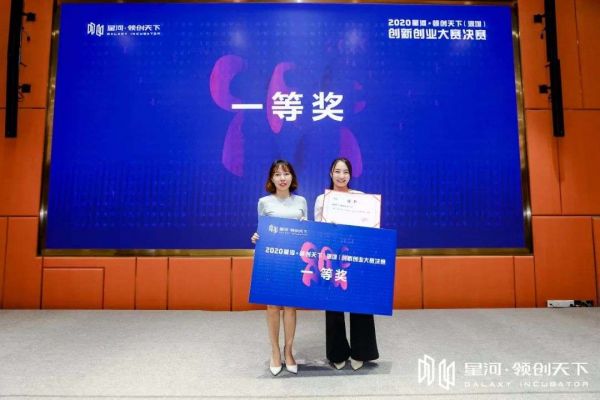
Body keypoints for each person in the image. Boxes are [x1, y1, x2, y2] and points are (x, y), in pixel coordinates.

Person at [314, 157, 379, 371]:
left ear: (350, 175)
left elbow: (371, 228)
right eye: (337, 171)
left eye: (345, 172)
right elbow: (317, 231)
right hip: (332, 257)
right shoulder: (322, 200)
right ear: (330, 173)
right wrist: (328, 226)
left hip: (356, 256)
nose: (341, 176)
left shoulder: (361, 198)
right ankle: (337, 353)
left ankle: (362, 352)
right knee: (334, 306)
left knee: (359, 303)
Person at [251, 160, 308, 376]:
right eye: (277, 174)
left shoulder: (301, 201)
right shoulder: (264, 202)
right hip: (271, 260)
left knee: (291, 306)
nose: (282, 178)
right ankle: (275, 351)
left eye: (286, 173)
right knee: (273, 306)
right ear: (271, 179)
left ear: (292, 177)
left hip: (294, 260)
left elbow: (307, 231)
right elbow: (262, 231)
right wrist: (256, 237)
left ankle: (288, 350)